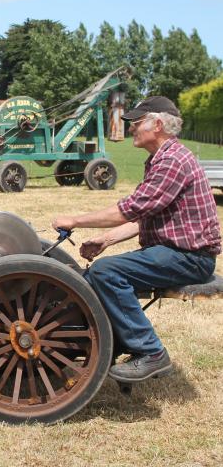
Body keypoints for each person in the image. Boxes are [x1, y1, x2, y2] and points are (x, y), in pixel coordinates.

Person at [52, 96, 221, 383]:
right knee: (95, 276)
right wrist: (106, 239)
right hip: (176, 252)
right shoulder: (161, 158)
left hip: (191, 258)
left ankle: (151, 352)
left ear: (157, 124)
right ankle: (114, 343)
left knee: (107, 272)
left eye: (136, 122)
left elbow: (129, 209)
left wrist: (75, 220)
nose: (130, 127)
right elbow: (144, 216)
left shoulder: (172, 161)